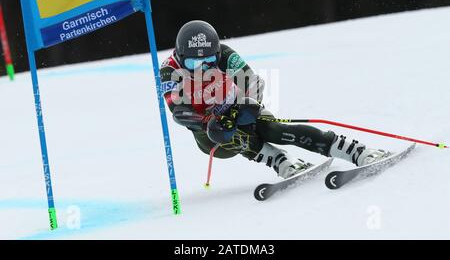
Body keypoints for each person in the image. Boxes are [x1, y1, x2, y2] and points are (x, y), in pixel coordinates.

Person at [160, 20, 388, 179]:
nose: (202, 68)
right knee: (222, 133)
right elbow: (179, 113)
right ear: (180, 58)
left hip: (236, 107)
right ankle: (278, 159)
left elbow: (255, 83)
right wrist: (207, 122)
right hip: (208, 134)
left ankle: (351, 149)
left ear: (217, 54)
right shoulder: (169, 71)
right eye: (193, 64)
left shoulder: (226, 54)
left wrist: (241, 108)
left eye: (209, 61)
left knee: (273, 130)